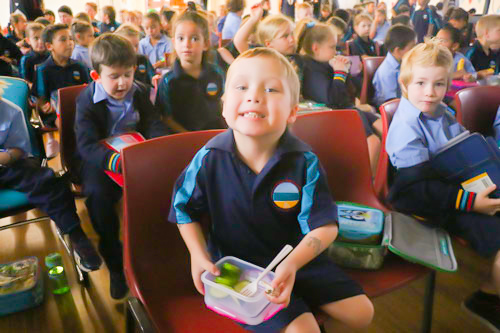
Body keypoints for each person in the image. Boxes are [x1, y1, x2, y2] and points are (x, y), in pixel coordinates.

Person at [168, 47, 374, 332]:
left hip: (297, 259)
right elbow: (183, 209)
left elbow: (324, 226)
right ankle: (296, 313)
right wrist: (197, 254)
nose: (254, 96)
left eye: (272, 89)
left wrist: (292, 265)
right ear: (225, 106)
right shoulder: (209, 158)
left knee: (362, 314)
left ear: (293, 111)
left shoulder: (304, 161)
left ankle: (298, 300)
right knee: (305, 330)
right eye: (242, 87)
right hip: (238, 269)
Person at [386, 41, 500, 332]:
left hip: (459, 187)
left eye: (438, 84)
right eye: (421, 83)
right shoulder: (406, 128)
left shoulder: (442, 111)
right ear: (405, 83)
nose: (430, 91)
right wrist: (471, 202)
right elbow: (415, 193)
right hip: (434, 202)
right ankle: (486, 297)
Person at [75, 33, 167, 299]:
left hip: (134, 150)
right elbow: (86, 145)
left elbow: (152, 122)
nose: (123, 82)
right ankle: (115, 265)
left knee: (160, 187)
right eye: (114, 76)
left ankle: (154, 251)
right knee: (98, 198)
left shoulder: (137, 90)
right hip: (101, 158)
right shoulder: (86, 101)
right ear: (96, 77)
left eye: (128, 73)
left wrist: (158, 143)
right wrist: (116, 162)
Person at [0, 86, 101, 273]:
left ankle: (78, 238)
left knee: (50, 183)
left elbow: (19, 150)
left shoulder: (11, 111)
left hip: (9, 165)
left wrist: (5, 158)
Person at [296, 20, 382, 174]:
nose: (335, 51)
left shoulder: (326, 63)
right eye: (332, 47)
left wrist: (344, 71)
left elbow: (349, 93)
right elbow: (331, 99)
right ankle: (370, 183)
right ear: (315, 48)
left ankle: (387, 176)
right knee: (373, 143)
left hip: (347, 109)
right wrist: (339, 73)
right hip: (335, 115)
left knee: (384, 126)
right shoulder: (311, 68)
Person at [156, 10, 226, 132]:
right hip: (183, 139)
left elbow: (224, 105)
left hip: (215, 136)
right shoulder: (168, 81)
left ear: (205, 44)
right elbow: (166, 118)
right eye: (181, 38)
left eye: (194, 38)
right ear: (174, 43)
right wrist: (190, 137)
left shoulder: (217, 73)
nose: (186, 44)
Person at [33, 24, 90, 157]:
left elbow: (89, 89)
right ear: (49, 46)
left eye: (70, 39)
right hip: (54, 114)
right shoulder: (43, 70)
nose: (69, 43)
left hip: (79, 108)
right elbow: (38, 97)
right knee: (66, 122)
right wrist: (43, 105)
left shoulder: (79, 66)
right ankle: (69, 157)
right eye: (63, 40)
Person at [373, 24, 416, 107]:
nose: (414, 51)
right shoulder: (387, 72)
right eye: (412, 48)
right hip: (393, 111)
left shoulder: (402, 63)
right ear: (398, 51)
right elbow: (391, 103)